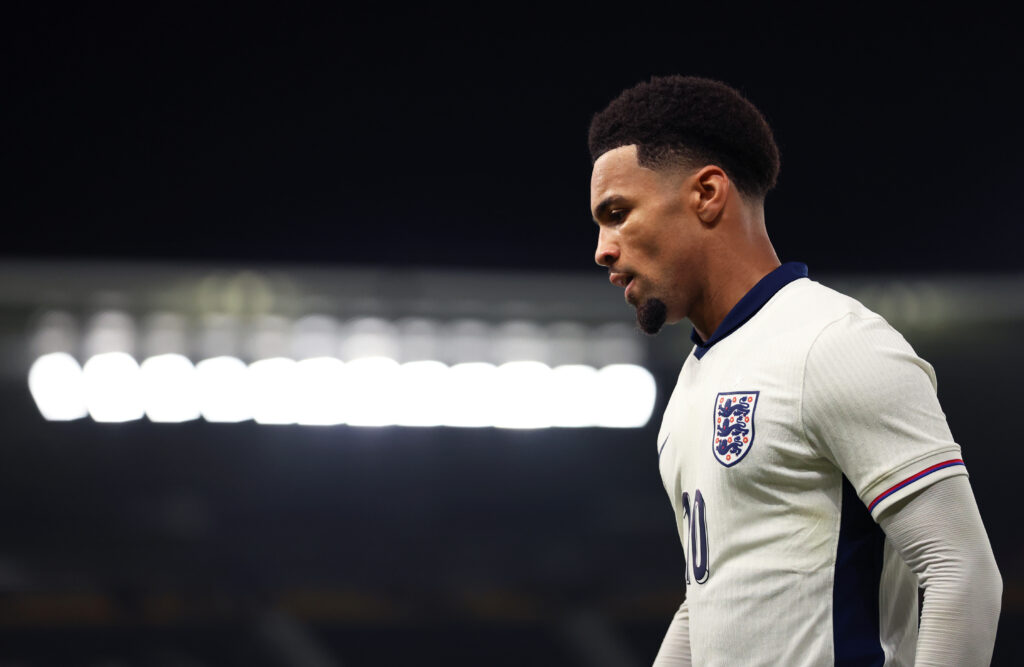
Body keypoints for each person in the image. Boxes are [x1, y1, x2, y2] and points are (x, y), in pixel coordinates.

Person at [587, 75, 1002, 666]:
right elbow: (708, 600)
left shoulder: (833, 343)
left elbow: (961, 572)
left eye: (618, 213)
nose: (603, 248)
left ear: (707, 193)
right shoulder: (691, 386)